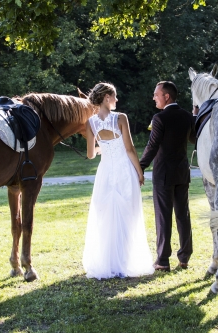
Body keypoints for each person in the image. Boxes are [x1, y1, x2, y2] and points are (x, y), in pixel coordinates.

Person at [83, 82, 155, 279]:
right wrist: (140, 173)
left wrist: (100, 148)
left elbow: (90, 154)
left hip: (105, 172)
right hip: (124, 171)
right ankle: (126, 262)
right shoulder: (120, 118)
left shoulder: (90, 122)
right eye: (114, 96)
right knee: (128, 215)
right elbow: (130, 149)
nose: (117, 100)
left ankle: (109, 264)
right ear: (107, 97)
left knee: (106, 216)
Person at [139, 81, 196, 272]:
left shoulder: (159, 118)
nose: (154, 97)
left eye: (156, 94)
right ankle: (185, 257)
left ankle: (163, 260)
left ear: (166, 97)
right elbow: (194, 139)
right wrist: (195, 118)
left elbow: (152, 146)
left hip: (163, 174)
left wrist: (140, 166)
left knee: (163, 217)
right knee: (183, 215)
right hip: (182, 172)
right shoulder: (188, 116)